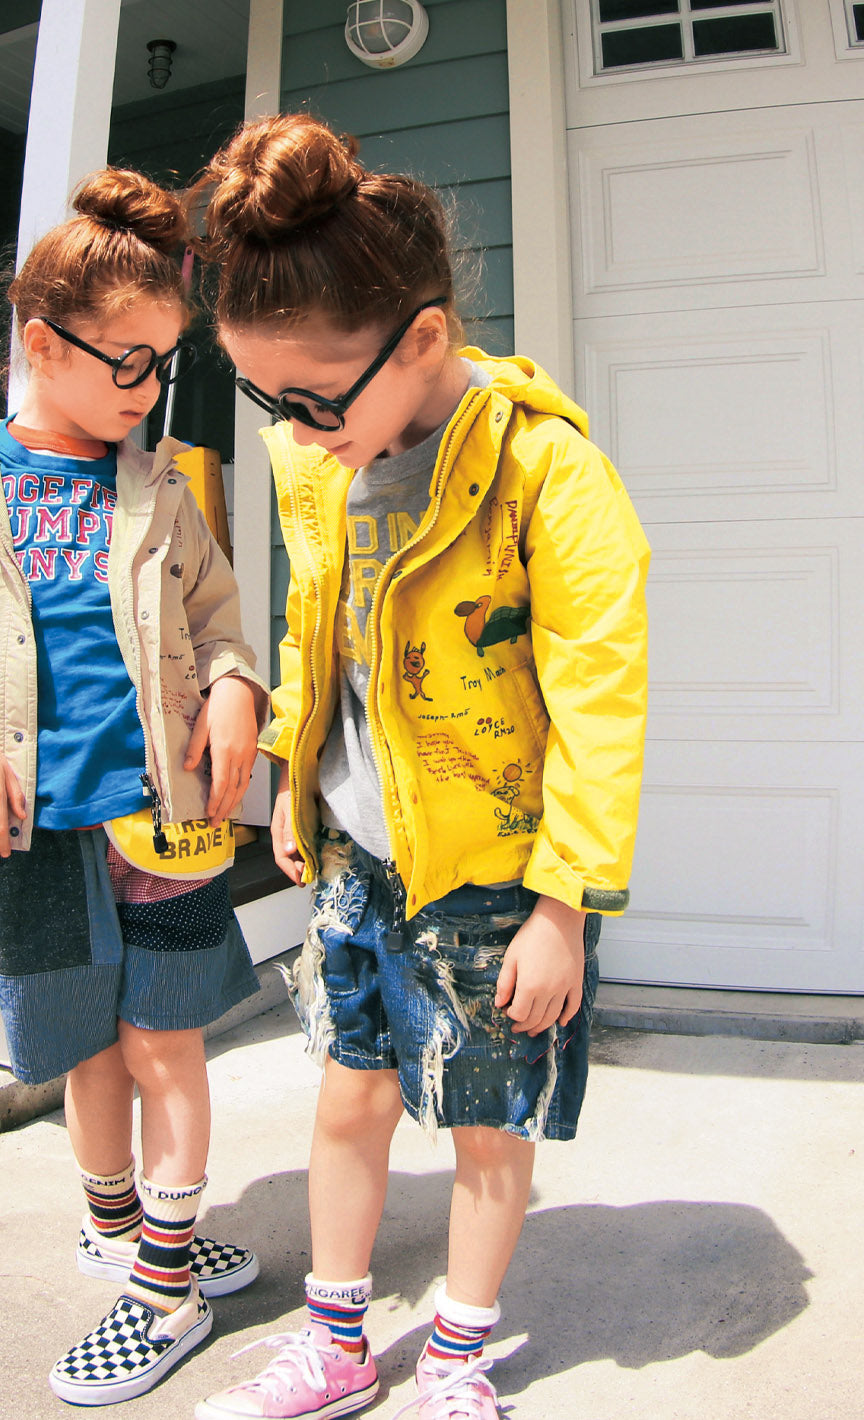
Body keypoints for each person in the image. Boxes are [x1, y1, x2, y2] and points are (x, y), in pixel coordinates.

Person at [189, 114, 650, 1420]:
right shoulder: (315, 460)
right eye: (271, 402)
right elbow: (315, 623)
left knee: (485, 1133)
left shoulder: (547, 476)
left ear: (427, 339)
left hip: (499, 874)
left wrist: (565, 905)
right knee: (348, 1103)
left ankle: (456, 1351)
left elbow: (604, 701)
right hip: (356, 858)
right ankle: (337, 1348)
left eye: (317, 401)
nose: (297, 430)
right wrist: (291, 769)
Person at [0, 168, 268, 1408]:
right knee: (84, 1047)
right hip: (28, 832)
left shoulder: (158, 490)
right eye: (131, 362)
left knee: (165, 1037)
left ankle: (164, 1286)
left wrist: (240, 687)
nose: (151, 389)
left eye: (165, 364)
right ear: (44, 343)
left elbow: (219, 621)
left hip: (165, 824)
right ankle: (124, 1225)